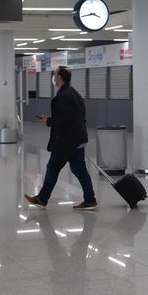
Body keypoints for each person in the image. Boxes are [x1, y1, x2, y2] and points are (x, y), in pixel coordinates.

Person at [25, 66, 97, 210]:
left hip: (66, 141)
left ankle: (42, 199)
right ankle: (90, 200)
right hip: (77, 139)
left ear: (59, 77)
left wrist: (49, 121)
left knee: (52, 168)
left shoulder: (63, 96)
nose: (53, 76)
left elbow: (65, 119)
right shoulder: (74, 94)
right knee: (79, 170)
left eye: (54, 74)